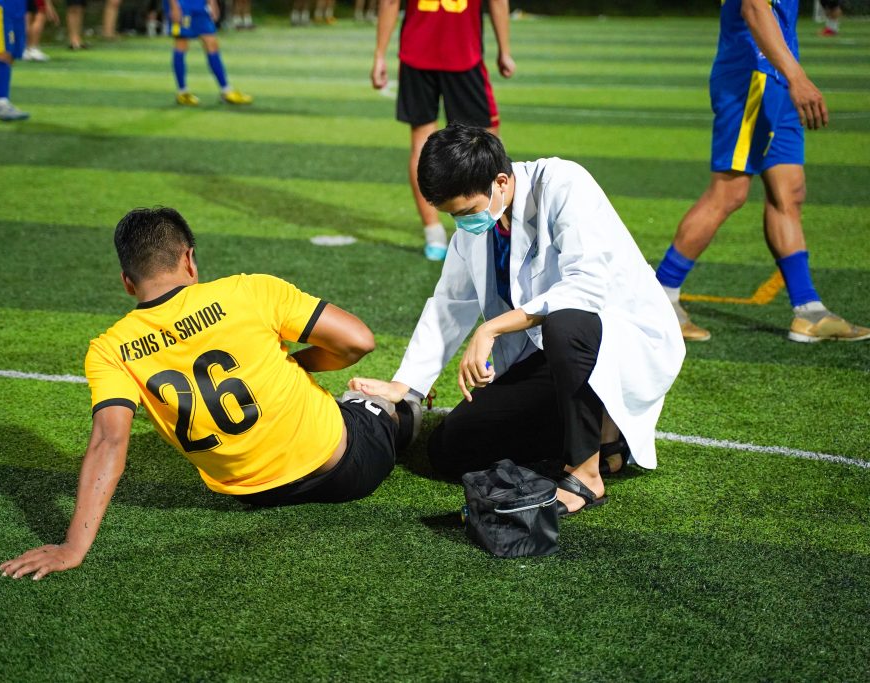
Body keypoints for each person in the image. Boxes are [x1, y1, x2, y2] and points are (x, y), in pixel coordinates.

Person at [0, 207, 419, 580]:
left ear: (127, 282)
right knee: (378, 402)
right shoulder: (248, 291)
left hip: (257, 495)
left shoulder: (110, 349)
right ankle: (407, 408)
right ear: (188, 259)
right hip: (347, 469)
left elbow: (109, 441)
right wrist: (292, 365)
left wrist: (73, 547)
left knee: (344, 403)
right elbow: (359, 341)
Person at [350, 125, 685, 516]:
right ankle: (607, 438)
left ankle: (586, 473)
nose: (462, 224)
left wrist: (492, 327)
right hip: (550, 355)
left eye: (465, 212)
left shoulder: (564, 183)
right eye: (452, 216)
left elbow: (586, 288)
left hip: (617, 341)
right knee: (450, 449)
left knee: (565, 322)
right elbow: (450, 303)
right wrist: (405, 387)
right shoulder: (481, 220)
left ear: (501, 181)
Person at [655, 0, 868, 343]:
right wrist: (797, 77)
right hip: (751, 77)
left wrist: (790, 76)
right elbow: (754, 7)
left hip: (778, 78)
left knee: (790, 192)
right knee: (729, 192)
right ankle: (660, 296)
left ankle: (809, 311)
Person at [371, 0, 515, 262]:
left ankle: (433, 233)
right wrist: (504, 49)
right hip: (462, 51)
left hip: (416, 51)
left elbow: (389, 2)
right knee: (486, 141)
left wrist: (379, 54)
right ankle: (496, 228)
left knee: (420, 144)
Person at [164, 0, 253, 105]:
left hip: (200, 6)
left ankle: (226, 90)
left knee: (212, 43)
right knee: (181, 44)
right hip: (182, 6)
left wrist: (212, 2)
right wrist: (174, 6)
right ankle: (182, 91)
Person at [0, 0, 31, 121]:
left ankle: (5, 103)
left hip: (18, 6)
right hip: (1, 4)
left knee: (12, 54)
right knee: (3, 52)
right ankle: (1, 105)